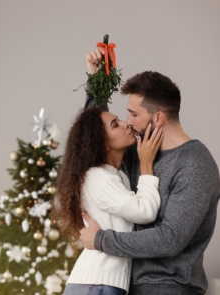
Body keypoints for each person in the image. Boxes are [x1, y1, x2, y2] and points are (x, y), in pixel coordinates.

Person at [80, 47, 220, 295]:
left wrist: (102, 240)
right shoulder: (138, 151)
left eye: (133, 114)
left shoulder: (196, 164)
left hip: (169, 288)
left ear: (157, 118)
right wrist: (96, 82)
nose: (127, 122)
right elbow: (100, 134)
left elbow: (170, 239)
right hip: (127, 286)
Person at [51, 106, 163, 295]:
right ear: (102, 143)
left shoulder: (112, 177)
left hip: (98, 284)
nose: (126, 124)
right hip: (97, 284)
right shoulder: (99, 178)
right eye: (115, 125)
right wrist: (146, 165)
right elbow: (145, 211)